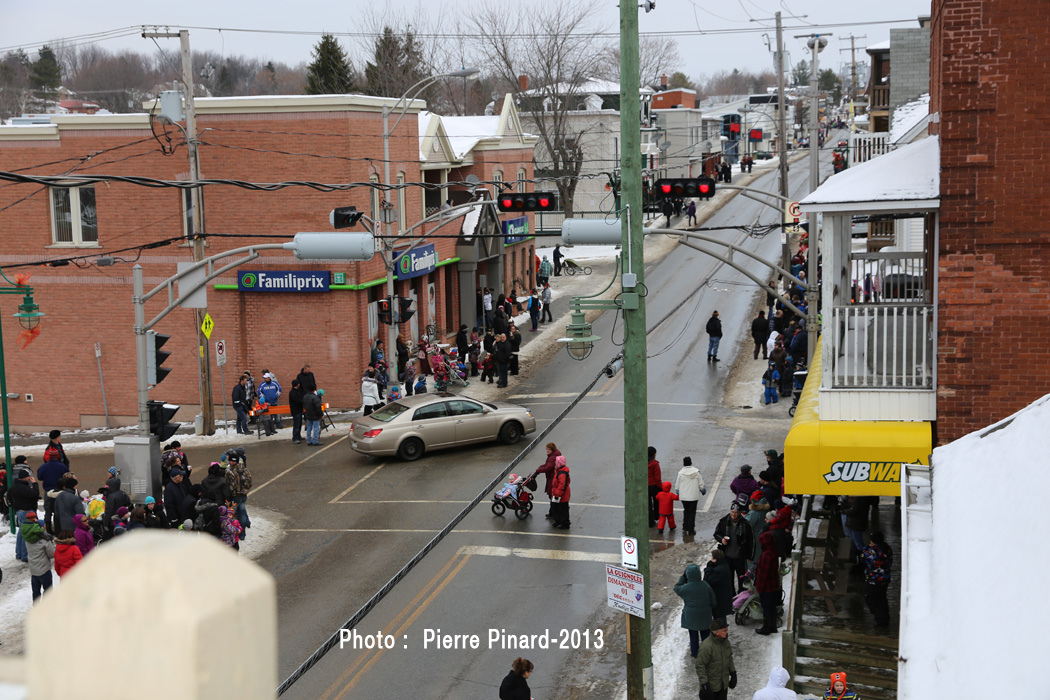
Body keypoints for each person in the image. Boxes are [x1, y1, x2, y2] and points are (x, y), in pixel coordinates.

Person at [673, 563, 718, 657]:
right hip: (705, 615)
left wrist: (682, 578)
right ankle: (707, 652)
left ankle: (695, 653)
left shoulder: (686, 588)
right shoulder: (705, 585)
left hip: (691, 616)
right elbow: (713, 600)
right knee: (706, 636)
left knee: (693, 636)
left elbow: (676, 588)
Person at [714, 503, 756, 594]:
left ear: (739, 513)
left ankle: (741, 595)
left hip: (740, 557)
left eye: (736, 512)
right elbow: (716, 534)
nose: (734, 514)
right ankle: (731, 595)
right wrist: (722, 540)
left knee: (742, 578)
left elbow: (751, 541)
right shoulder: (724, 522)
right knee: (728, 579)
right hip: (727, 556)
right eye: (732, 512)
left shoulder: (745, 524)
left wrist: (750, 556)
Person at [694, 617, 736, 700]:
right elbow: (700, 665)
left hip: (723, 686)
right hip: (710, 688)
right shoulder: (707, 646)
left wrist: (733, 673)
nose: (726, 632)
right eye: (724, 630)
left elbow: (729, 658)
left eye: (726, 630)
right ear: (716, 632)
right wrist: (705, 684)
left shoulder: (725, 642)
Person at [861, 531, 893, 627]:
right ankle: (885, 618)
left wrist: (867, 547)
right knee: (881, 597)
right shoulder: (887, 548)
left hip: (875, 579)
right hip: (885, 578)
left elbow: (863, 556)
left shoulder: (874, 551)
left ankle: (880, 619)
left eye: (871, 541)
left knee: (870, 598)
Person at [21, 511, 54, 601]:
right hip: (44, 570)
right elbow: (51, 554)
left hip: (34, 571)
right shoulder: (45, 541)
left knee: (36, 592)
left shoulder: (28, 540)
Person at [753, 531, 782, 635]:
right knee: (771, 607)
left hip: (767, 586)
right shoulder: (773, 551)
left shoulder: (766, 555)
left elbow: (763, 574)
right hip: (773, 584)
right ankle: (772, 626)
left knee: (766, 607)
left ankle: (766, 628)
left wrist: (759, 587)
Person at [9, 467, 40, 563]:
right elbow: (35, 495)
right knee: (27, 533)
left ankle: (19, 554)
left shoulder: (14, 486)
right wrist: (35, 484)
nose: (30, 478)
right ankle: (24, 555)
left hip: (20, 511)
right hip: (26, 511)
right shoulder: (23, 487)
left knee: (21, 533)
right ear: (24, 477)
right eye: (28, 476)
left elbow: (9, 497)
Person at [675, 456, 706, 535]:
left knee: (686, 510)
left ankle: (685, 526)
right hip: (694, 496)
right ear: (691, 462)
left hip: (684, 497)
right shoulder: (696, 472)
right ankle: (691, 529)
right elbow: (701, 483)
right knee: (692, 512)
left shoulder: (680, 473)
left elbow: (677, 485)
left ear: (683, 463)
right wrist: (703, 491)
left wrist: (678, 493)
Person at [225, 451, 253, 537]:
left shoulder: (230, 472)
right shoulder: (244, 469)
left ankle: (233, 533)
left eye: (230, 460)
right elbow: (250, 481)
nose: (229, 462)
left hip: (235, 497)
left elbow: (231, 486)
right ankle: (242, 534)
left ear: (234, 461)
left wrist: (229, 495)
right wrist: (246, 490)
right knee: (242, 513)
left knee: (232, 515)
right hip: (243, 495)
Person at [37, 454, 66, 535]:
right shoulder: (62, 466)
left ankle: (49, 529)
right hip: (60, 491)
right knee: (60, 511)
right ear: (57, 457)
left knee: (48, 511)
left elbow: (39, 477)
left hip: (48, 491)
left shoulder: (43, 466)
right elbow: (66, 476)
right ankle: (59, 530)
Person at [704, 550, 735, 622]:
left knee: (720, 620)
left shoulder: (719, 570)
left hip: (719, 599)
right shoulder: (723, 565)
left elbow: (708, 580)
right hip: (723, 597)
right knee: (721, 618)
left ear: (715, 558)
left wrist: (708, 568)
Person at [534, 443, 563, 519]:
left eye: (548, 449)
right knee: (553, 496)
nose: (547, 451)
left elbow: (548, 468)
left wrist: (538, 470)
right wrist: (542, 466)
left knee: (552, 496)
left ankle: (553, 513)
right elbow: (548, 465)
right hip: (553, 477)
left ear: (552, 449)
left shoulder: (552, 457)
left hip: (552, 478)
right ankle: (554, 512)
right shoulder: (554, 455)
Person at [550, 455, 571, 529]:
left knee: (563, 509)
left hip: (561, 495)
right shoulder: (559, 471)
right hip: (557, 493)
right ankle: (558, 520)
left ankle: (565, 523)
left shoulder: (562, 473)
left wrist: (557, 494)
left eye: (556, 462)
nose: (555, 463)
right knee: (556, 508)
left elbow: (562, 485)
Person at [647, 446, 661, 527]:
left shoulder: (643, 463)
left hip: (646, 486)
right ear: (654, 454)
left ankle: (650, 521)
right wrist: (660, 487)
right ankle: (656, 515)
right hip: (654, 486)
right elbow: (657, 477)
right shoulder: (655, 464)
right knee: (656, 502)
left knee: (648, 504)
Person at [288, 379, 305, 444]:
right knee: (296, 424)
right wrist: (303, 401)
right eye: (298, 383)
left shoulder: (298, 391)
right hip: (295, 411)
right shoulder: (293, 392)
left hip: (299, 410)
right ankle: (295, 438)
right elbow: (297, 401)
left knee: (299, 424)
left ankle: (298, 436)